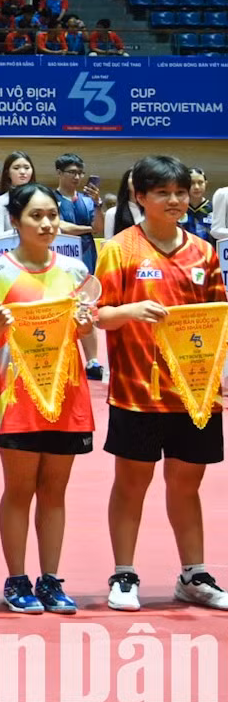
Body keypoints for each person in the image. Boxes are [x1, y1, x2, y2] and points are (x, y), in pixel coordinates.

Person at [94, 154, 228, 612]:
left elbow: (218, 320)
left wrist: (220, 374)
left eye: (180, 192)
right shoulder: (119, 250)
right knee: (132, 482)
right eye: (162, 193)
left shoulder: (204, 252)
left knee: (187, 484)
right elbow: (97, 314)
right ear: (139, 197)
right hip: (137, 391)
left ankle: (194, 575)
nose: (174, 201)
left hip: (194, 392)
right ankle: (124, 573)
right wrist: (130, 311)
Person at [0, 182, 97, 614]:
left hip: (67, 396)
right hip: (16, 398)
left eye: (52, 216)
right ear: (16, 221)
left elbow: (85, 333)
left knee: (56, 491)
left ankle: (50, 580)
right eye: (36, 217)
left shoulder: (75, 271)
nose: (46, 224)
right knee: (20, 489)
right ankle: (17, 579)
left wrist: (83, 324)